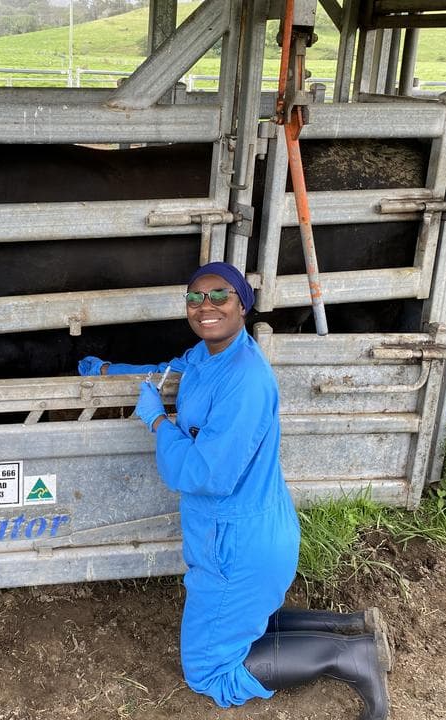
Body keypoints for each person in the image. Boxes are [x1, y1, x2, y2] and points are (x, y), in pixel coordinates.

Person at [78, 261, 390, 717]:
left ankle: (349, 656)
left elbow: (207, 475)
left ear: (242, 304)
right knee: (241, 619)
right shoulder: (208, 356)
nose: (206, 306)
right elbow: (167, 369)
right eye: (195, 298)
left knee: (208, 670)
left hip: (238, 541)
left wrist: (158, 421)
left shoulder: (245, 378)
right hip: (241, 531)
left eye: (219, 296)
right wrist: (111, 369)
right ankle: (347, 626)